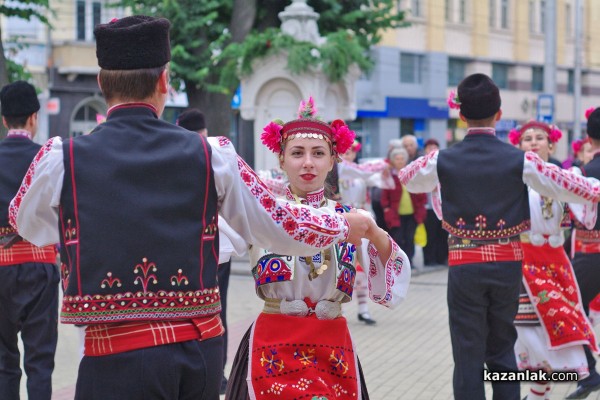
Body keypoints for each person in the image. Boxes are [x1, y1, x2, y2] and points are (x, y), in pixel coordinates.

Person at [8, 16, 375, 400]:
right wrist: (343, 224)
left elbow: (26, 223)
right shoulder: (212, 155)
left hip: (111, 355)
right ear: (165, 81)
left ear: (102, 83)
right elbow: (277, 223)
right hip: (195, 355)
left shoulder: (60, 159)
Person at [399, 73, 600, 400]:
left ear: (461, 115)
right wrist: (595, 188)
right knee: (503, 349)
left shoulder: (443, 159)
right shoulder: (519, 159)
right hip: (508, 266)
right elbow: (566, 183)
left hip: (464, 264)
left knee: (467, 354)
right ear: (500, 114)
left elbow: (408, 178)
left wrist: (442, 177)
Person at [225, 98, 411, 400]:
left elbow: (391, 280)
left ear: (333, 160)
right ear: (281, 160)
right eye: (297, 153)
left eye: (318, 153)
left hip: (332, 345)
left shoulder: (351, 218)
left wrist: (375, 233)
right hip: (272, 342)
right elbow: (214, 243)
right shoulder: (262, 214)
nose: (308, 162)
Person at [508, 121, 598, 400]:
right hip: (524, 262)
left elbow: (587, 211)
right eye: (526, 139)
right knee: (530, 332)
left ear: (552, 145)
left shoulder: (565, 176)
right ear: (519, 146)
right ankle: (538, 394)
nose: (533, 142)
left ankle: (539, 394)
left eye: (539, 138)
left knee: (555, 330)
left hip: (557, 262)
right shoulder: (512, 179)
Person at [176, 106, 246, 394]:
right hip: (221, 245)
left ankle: (194, 369)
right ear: (204, 131)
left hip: (187, 246)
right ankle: (218, 373)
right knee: (220, 309)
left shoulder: (176, 155)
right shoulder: (218, 155)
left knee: (188, 309)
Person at [0, 81, 60, 400]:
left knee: (4, 363)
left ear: (4, 119)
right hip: (40, 267)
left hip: (0, 270)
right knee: (40, 363)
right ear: (34, 117)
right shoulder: (46, 159)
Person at [565, 106, 600, 399]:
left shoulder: (584, 173)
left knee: (569, 308)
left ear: (589, 139)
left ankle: (588, 372)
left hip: (592, 252)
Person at [339, 139, 391, 325]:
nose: (348, 154)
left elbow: (385, 182)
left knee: (362, 267)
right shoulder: (333, 172)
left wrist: (385, 170)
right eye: (345, 151)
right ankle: (339, 310)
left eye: (352, 151)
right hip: (341, 224)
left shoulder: (360, 174)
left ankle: (363, 310)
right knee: (341, 267)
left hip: (360, 222)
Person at [381, 147, 427, 266]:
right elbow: (384, 196)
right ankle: (398, 263)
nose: (400, 161)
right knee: (398, 239)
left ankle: (409, 262)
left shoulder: (411, 174)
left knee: (409, 238)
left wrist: (422, 207)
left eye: (402, 159)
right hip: (396, 214)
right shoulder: (389, 176)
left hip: (412, 213)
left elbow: (421, 192)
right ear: (393, 161)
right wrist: (387, 209)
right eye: (397, 159)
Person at [421, 138, 448, 267]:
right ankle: (429, 259)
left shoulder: (444, 164)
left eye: (434, 147)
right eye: (429, 147)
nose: (432, 149)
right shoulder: (421, 165)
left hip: (443, 207)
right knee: (429, 234)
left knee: (442, 234)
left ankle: (441, 258)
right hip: (428, 207)